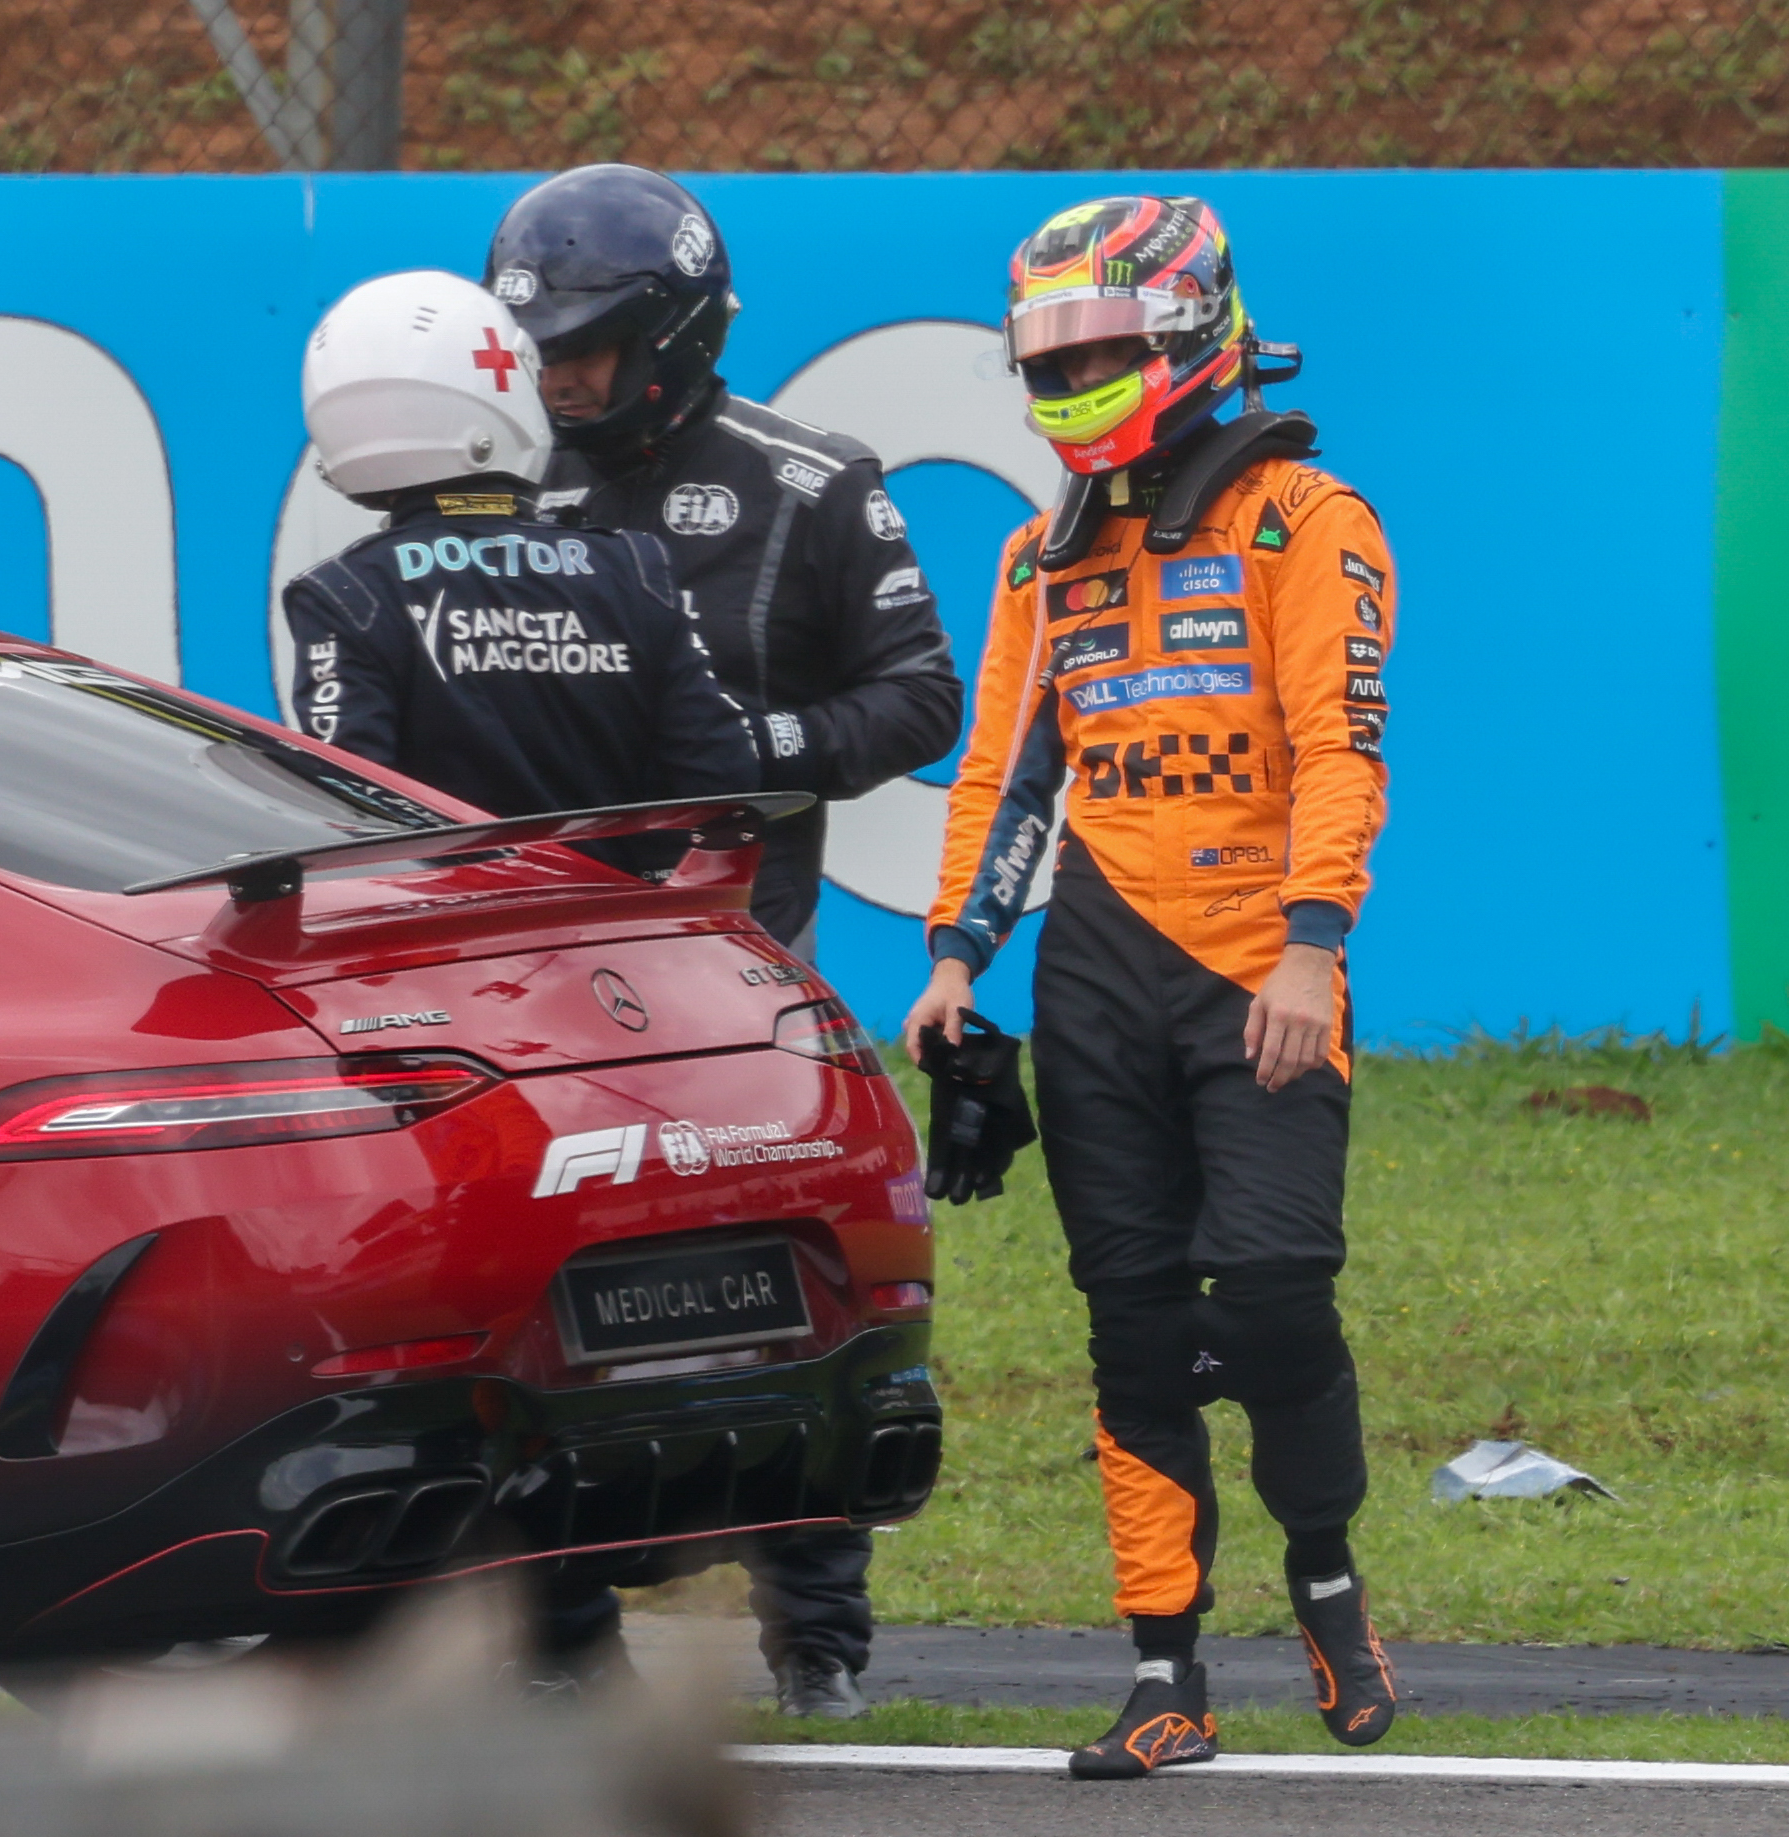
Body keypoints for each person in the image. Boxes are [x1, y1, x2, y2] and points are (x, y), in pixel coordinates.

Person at [905, 195, 1398, 1779]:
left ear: (1188, 334)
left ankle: (1323, 1581)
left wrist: (1313, 944)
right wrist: (953, 956)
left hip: (1260, 966)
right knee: (1128, 1329)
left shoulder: (1305, 518)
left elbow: (1339, 746)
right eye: (1049, 359)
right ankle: (1161, 1675)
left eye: (1099, 351)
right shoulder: (1036, 554)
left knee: (1270, 1291)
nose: (1071, 381)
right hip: (1095, 974)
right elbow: (1005, 776)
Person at [485, 164, 964, 1720]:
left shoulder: (810, 486)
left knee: (789, 1290)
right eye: (537, 348)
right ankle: (563, 1640)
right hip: (539, 989)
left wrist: (747, 754)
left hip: (742, 972)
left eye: (586, 346)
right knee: (535, 1299)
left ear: (677, 333)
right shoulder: (500, 485)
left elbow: (922, 695)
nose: (558, 377)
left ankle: (815, 1636)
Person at [282, 267, 759, 878]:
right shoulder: (632, 566)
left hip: (447, 926)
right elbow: (722, 777)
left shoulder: (345, 595)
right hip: (627, 923)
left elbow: (354, 810)